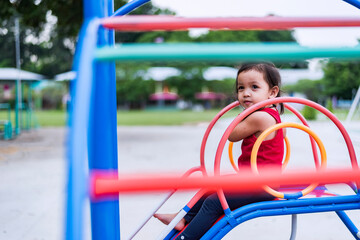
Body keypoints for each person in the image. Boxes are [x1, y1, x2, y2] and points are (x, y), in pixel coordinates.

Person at [154, 62, 285, 240]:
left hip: (260, 185)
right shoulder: (274, 115)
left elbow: (232, 134)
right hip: (255, 180)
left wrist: (243, 113)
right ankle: (183, 218)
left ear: (272, 92)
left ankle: (187, 237)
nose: (246, 93)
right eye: (241, 88)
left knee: (214, 202)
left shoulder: (260, 117)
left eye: (254, 87)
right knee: (211, 186)